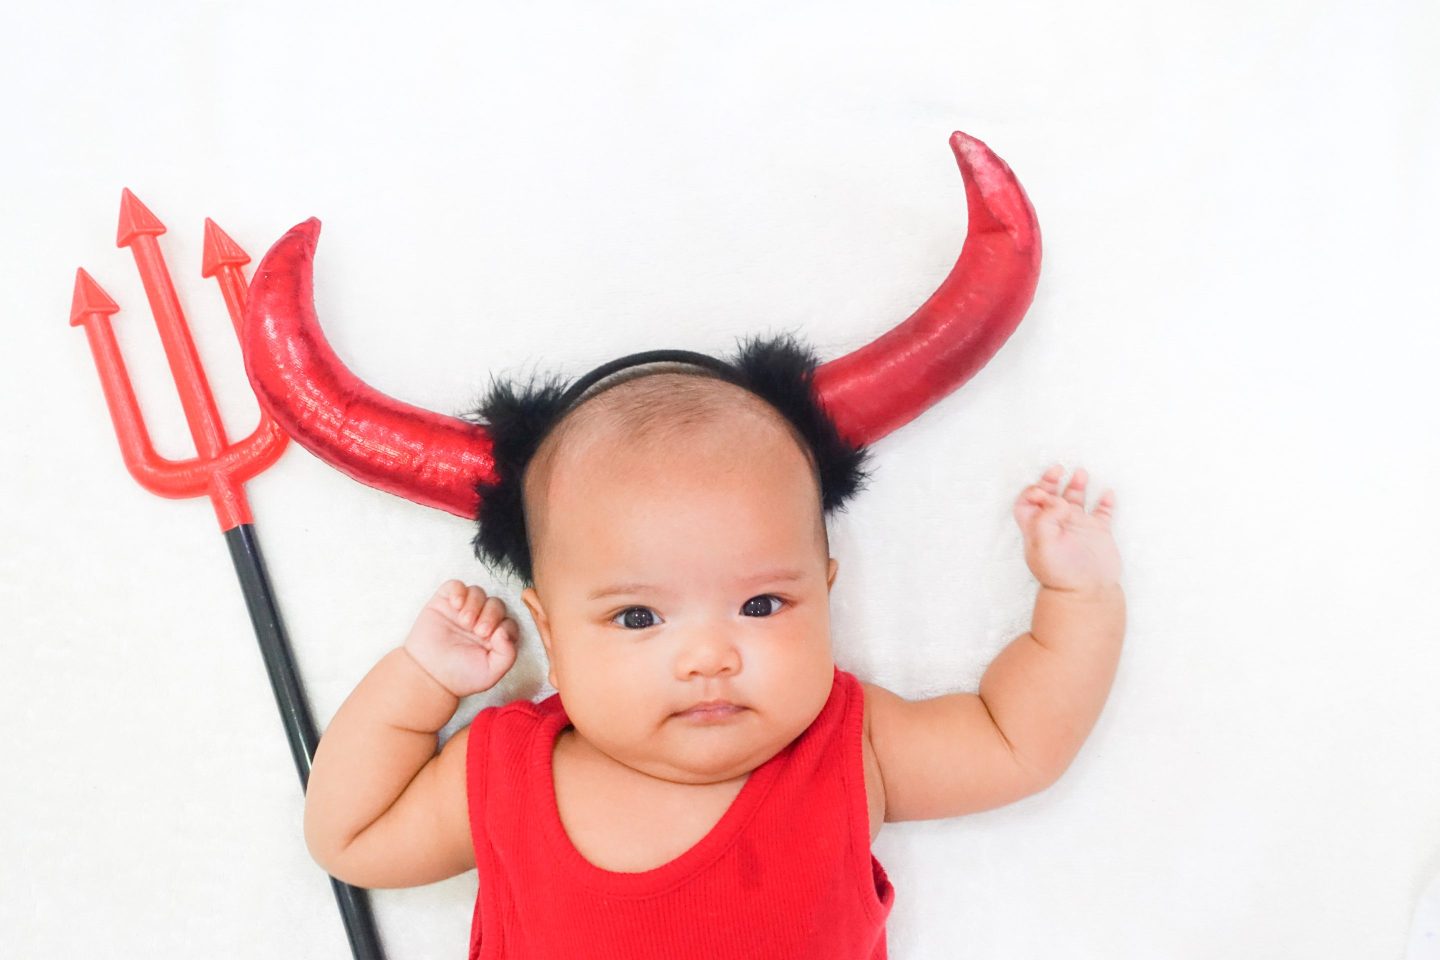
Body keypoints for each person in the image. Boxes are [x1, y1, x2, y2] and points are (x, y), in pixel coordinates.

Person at [298, 338, 1126, 959]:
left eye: (761, 605)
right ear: (547, 634)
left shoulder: (846, 748)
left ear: (826, 595)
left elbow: (1017, 740)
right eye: (637, 619)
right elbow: (352, 837)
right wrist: (418, 684)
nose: (708, 657)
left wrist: (1078, 597)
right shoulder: (508, 771)